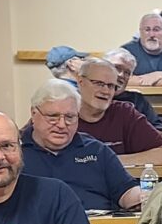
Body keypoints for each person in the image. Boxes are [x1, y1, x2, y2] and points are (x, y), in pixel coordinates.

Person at [20, 79, 143, 213]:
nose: (62, 125)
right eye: (53, 117)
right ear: (33, 114)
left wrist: (144, 197)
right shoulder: (15, 153)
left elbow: (126, 191)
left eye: (70, 117)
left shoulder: (96, 150)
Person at [74, 55, 162, 164]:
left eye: (111, 86)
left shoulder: (124, 112)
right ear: (80, 82)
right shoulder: (63, 113)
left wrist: (108, 161)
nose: (106, 91)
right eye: (99, 84)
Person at [101, 49, 162, 130]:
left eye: (127, 73)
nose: (121, 75)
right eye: (117, 68)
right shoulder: (90, 95)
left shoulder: (137, 100)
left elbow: (157, 127)